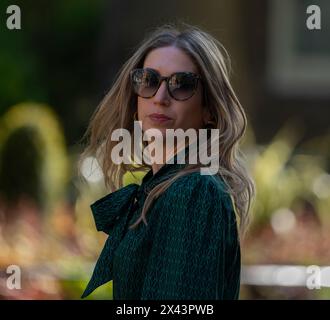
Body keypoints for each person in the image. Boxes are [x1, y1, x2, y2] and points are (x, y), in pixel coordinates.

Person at [80, 23, 255, 300]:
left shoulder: (195, 193)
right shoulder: (162, 188)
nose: (160, 98)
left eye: (181, 85)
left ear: (210, 109)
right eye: (148, 80)